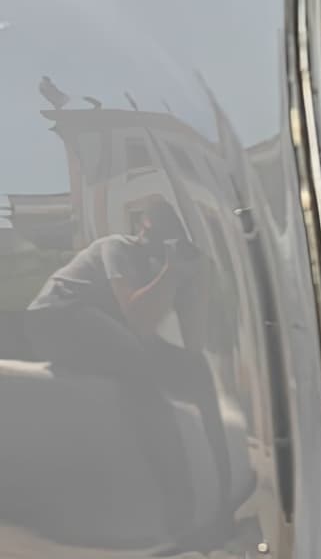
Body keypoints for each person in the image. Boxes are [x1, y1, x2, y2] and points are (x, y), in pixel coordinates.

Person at [24, 196, 233, 541]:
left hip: (109, 326)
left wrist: (198, 281)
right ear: (145, 229)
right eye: (160, 235)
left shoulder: (175, 269)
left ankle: (222, 498)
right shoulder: (116, 247)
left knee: (197, 372)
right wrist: (171, 271)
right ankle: (179, 508)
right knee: (136, 366)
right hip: (55, 318)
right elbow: (138, 319)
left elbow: (192, 343)